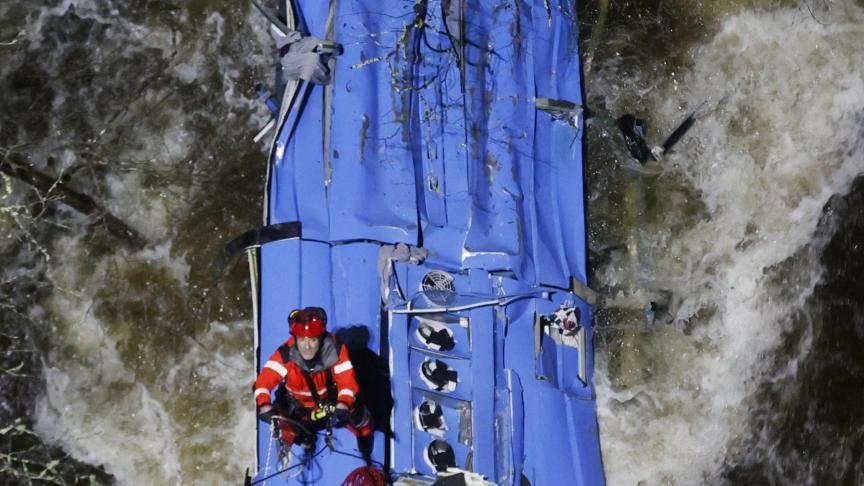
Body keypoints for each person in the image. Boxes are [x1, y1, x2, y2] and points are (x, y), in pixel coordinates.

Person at [254, 306, 374, 462]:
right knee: (284, 424)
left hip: (330, 403)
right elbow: (263, 382)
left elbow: (347, 382)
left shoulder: (337, 351)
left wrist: (344, 404)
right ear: (295, 338)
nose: (307, 345)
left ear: (321, 338)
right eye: (302, 339)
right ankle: (296, 442)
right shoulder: (284, 355)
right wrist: (264, 404)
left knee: (357, 414)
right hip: (298, 408)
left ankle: (364, 433)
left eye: (312, 339)